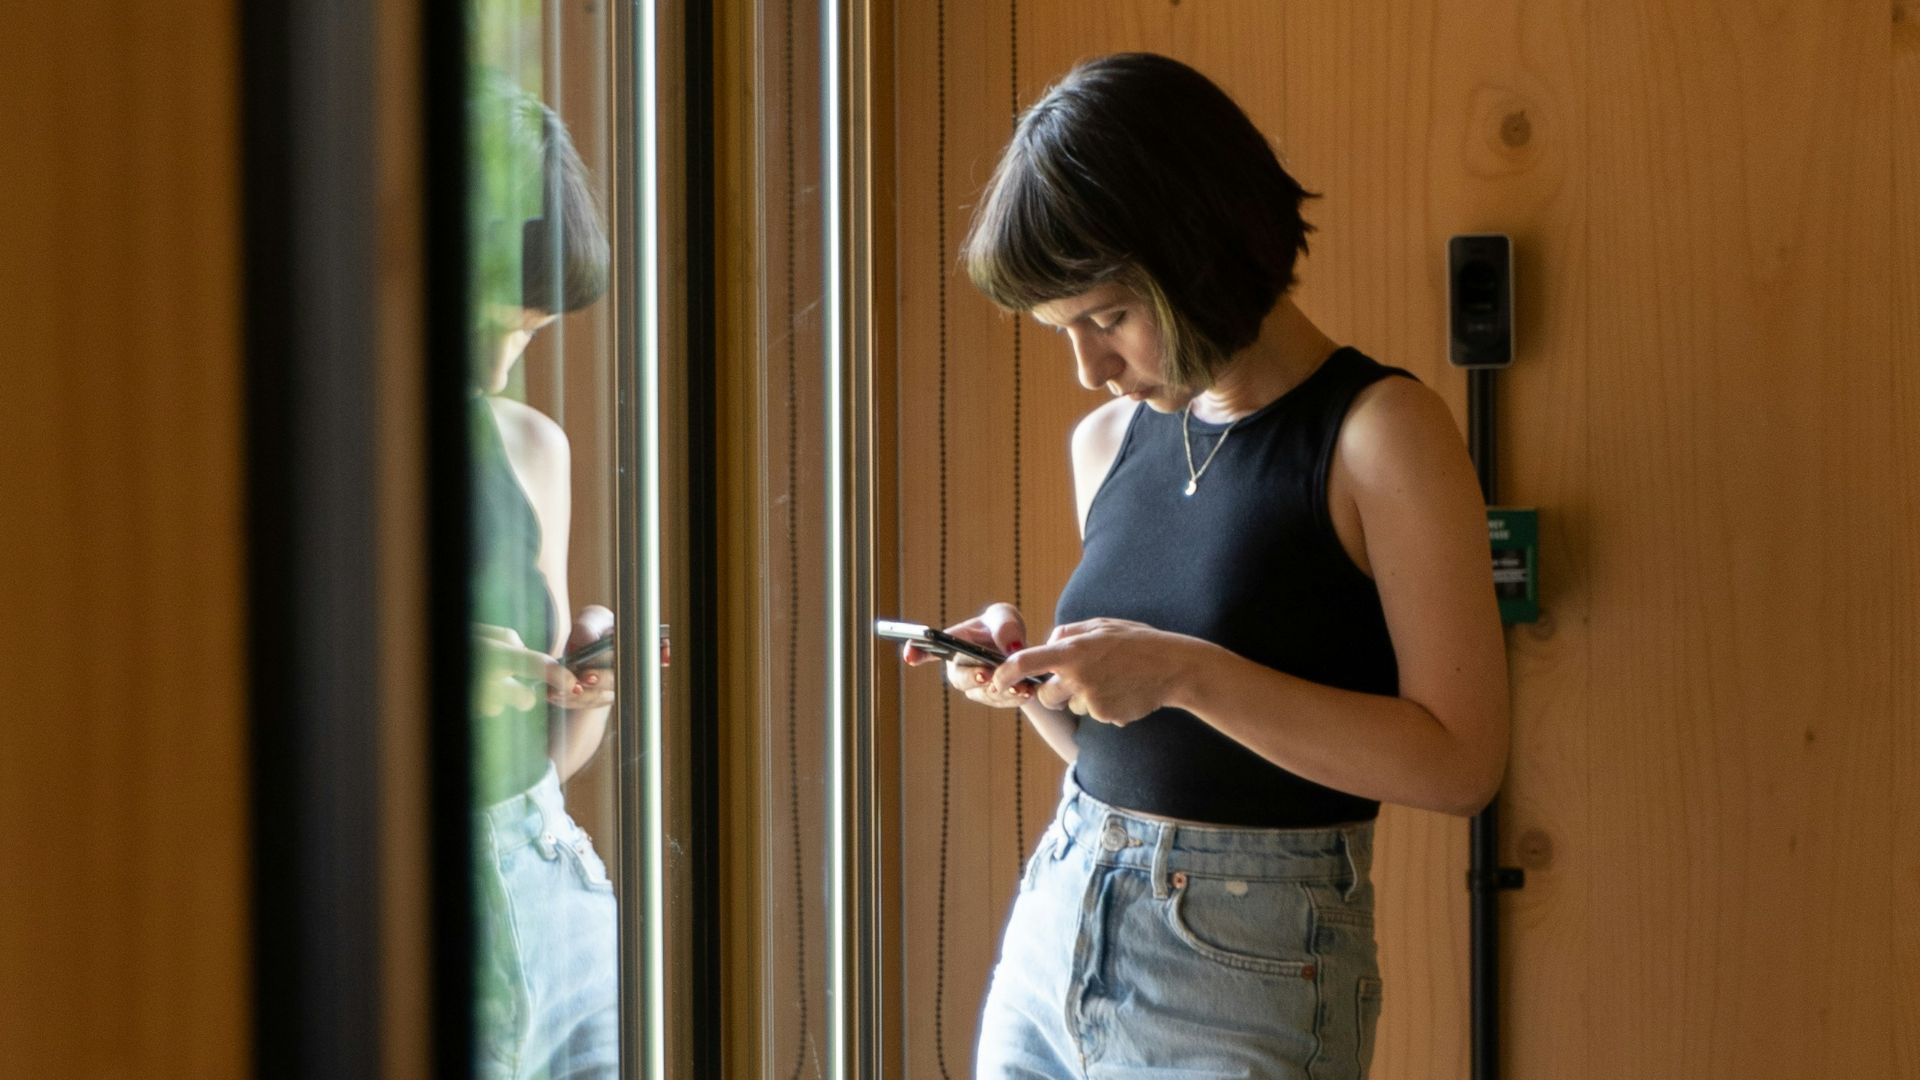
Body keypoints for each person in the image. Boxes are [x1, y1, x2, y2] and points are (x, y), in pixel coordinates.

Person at [905, 53, 1509, 1078]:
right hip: (1059, 920)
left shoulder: (1380, 434)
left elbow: (1461, 764)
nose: (1089, 368)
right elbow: (1157, 755)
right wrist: (1039, 682)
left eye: (1105, 318)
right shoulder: (1107, 442)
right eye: (1064, 332)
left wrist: (1187, 669)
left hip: (1243, 970)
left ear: (1200, 253)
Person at [467, 71, 619, 1080]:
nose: (499, 365)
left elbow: (537, 769)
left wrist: (586, 699)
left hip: (543, 873)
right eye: (482, 325)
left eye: (525, 335)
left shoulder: (530, 445)